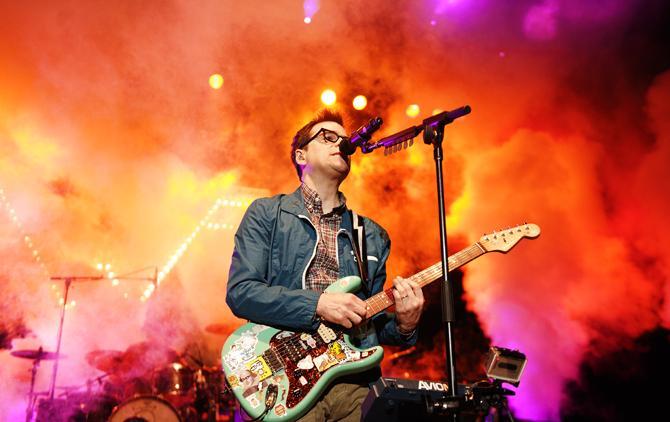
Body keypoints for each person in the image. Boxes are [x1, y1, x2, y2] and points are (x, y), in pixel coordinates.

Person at [226, 109, 425, 421]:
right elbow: (241, 293)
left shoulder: (371, 234)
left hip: (355, 389)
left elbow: (370, 324)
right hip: (287, 378)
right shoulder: (267, 213)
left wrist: (405, 324)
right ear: (301, 154)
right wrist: (317, 304)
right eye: (328, 137)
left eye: (343, 140)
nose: (341, 143)